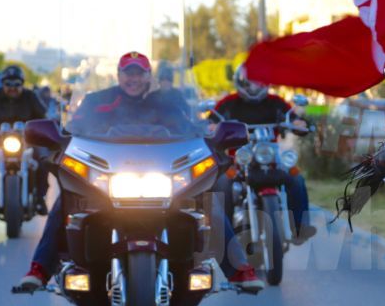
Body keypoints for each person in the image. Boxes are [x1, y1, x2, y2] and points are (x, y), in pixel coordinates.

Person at [18, 51, 264, 292]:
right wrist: (56, 140)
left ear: (148, 76)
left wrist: (212, 137)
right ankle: (39, 269)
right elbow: (73, 131)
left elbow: (192, 130)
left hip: (163, 173)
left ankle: (239, 270)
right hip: (109, 173)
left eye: (139, 73)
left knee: (207, 200)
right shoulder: (97, 101)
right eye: (128, 73)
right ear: (119, 75)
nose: (133, 78)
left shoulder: (168, 102)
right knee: (67, 197)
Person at [210, 63, 316, 243]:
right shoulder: (228, 103)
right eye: (249, 82)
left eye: (258, 82)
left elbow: (292, 118)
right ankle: (223, 235)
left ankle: (300, 227)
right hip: (238, 159)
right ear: (240, 82)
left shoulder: (276, 102)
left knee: (296, 178)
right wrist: (211, 126)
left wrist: (299, 123)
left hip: (271, 158)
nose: (254, 87)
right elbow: (212, 121)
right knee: (223, 183)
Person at [0, 65, 49, 213]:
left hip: (27, 139)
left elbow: (43, 115)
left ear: (22, 84)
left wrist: (50, 123)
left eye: (17, 84)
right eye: (8, 83)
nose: (12, 87)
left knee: (43, 156)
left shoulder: (30, 97)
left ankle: (40, 197)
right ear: (2, 84)